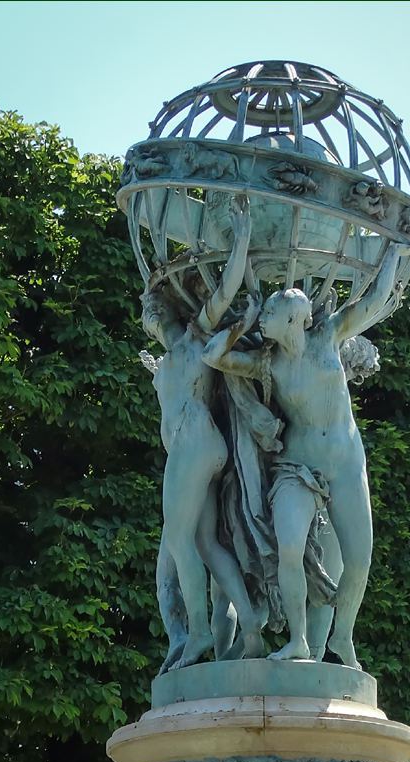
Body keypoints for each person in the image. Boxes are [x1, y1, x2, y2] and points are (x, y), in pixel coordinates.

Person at [202, 240, 410, 668]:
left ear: (293, 319)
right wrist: (243, 320)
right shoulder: (267, 364)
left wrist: (396, 256)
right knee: (288, 549)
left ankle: (342, 638)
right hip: (296, 468)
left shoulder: (328, 337)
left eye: (267, 313)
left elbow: (374, 300)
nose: (263, 318)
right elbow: (215, 356)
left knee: (359, 559)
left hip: (344, 465)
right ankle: (299, 640)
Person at [141, 194, 264, 669]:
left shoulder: (195, 337)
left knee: (178, 540)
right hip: (194, 448)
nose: (151, 315)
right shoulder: (169, 357)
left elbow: (225, 293)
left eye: (155, 308)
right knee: (206, 543)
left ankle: (195, 635)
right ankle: (249, 623)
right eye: (147, 311)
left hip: (194, 444)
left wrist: (240, 246)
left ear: (171, 308)